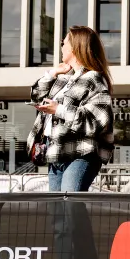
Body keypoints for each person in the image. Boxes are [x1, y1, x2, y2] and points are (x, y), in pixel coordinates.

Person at [27, 25, 115, 192]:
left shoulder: (93, 78)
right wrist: (53, 73)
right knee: (58, 206)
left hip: (81, 153)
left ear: (75, 47)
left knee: (69, 203)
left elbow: (98, 120)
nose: (61, 47)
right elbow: (37, 96)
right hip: (56, 152)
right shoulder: (65, 79)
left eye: (63, 43)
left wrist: (59, 110)